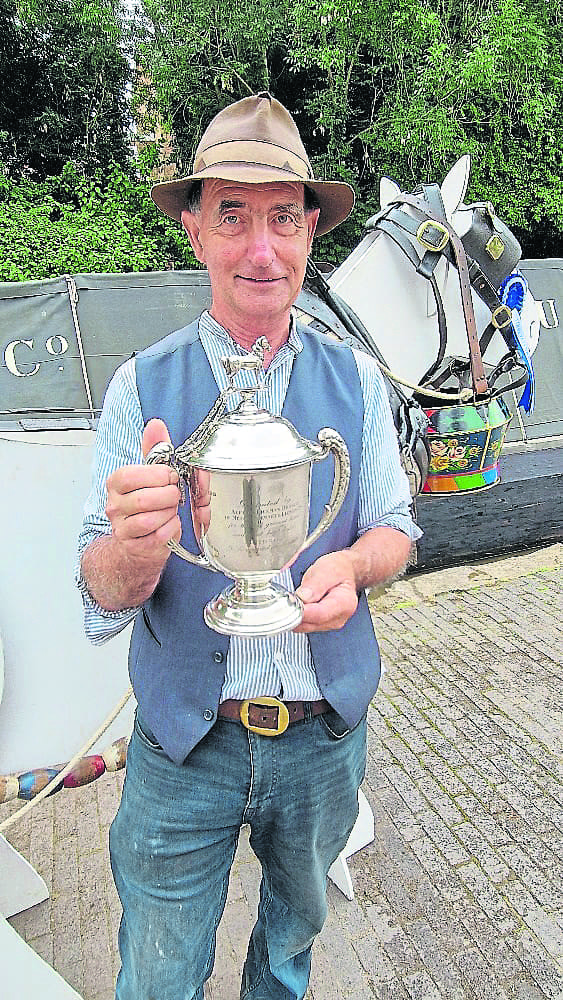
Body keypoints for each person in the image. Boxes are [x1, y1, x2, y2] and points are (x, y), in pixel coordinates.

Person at [76, 92, 421, 1000]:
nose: (259, 249)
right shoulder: (139, 388)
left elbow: (395, 524)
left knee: (285, 956)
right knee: (156, 974)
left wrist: (351, 564)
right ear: (195, 231)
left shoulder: (355, 377)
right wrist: (137, 548)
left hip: (319, 740)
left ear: (310, 233)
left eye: (280, 218)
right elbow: (98, 592)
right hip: (182, 745)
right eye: (231, 216)